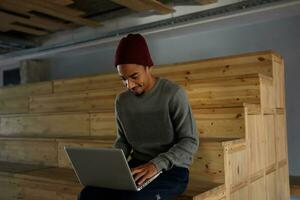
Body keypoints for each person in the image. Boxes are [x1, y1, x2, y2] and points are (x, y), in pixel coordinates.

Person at [78, 33, 199, 200]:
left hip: (171, 171)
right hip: (136, 168)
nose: (129, 85)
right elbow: (124, 141)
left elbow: (190, 141)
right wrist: (110, 164)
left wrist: (156, 165)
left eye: (134, 77)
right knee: (87, 195)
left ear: (148, 66)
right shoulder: (122, 101)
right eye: (123, 79)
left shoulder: (173, 94)